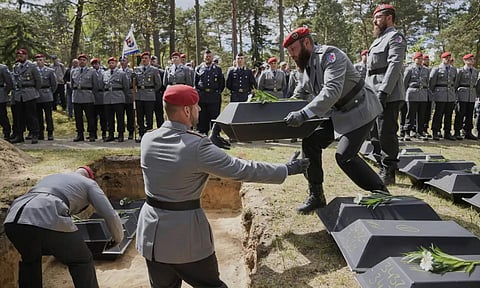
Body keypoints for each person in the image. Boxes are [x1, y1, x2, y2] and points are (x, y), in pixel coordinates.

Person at [136, 84, 309, 288]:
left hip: (152, 237)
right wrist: (286, 169)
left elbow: (179, 159)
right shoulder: (198, 147)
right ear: (186, 110)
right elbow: (242, 169)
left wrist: (208, 143)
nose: (200, 110)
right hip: (185, 238)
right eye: (197, 106)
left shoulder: (148, 138)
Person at [283, 26, 388, 214]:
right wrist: (280, 109)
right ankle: (316, 196)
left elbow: (331, 90)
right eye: (289, 51)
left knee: (345, 156)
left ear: (306, 43)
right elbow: (300, 93)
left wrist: (304, 114)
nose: (291, 54)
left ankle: (381, 192)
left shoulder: (330, 55)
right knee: (311, 141)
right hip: (337, 112)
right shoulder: (303, 66)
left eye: (293, 49)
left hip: (360, 108)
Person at [3, 166, 124, 288]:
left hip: (13, 220)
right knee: (81, 260)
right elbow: (110, 214)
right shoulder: (89, 183)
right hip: (47, 215)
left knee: (31, 261)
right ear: (89, 176)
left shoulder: (52, 177)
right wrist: (118, 238)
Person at [365, 4, 407, 185]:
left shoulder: (395, 37)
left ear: (389, 17)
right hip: (373, 91)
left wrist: (384, 91)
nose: (375, 21)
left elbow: (395, 65)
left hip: (387, 93)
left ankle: (389, 171)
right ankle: (380, 165)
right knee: (374, 132)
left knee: (386, 132)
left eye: (378, 17)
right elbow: (369, 70)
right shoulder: (378, 39)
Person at [10, 48, 42, 144]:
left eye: (22, 55)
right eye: (19, 55)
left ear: (26, 56)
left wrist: (34, 90)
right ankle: (19, 135)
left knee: (31, 115)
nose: (20, 57)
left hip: (29, 93)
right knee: (19, 116)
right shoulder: (16, 66)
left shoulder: (32, 66)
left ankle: (35, 134)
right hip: (19, 94)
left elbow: (38, 80)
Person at [194, 49, 225, 135]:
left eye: (209, 57)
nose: (208, 58)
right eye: (206, 57)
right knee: (202, 117)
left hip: (213, 97)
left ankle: (215, 134)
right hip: (202, 96)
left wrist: (217, 92)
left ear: (212, 57)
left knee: (214, 116)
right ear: (204, 58)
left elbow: (221, 83)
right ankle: (202, 134)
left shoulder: (218, 69)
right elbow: (195, 83)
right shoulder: (199, 68)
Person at [133, 51, 162, 140]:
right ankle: (141, 133)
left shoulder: (154, 70)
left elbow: (158, 84)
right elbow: (134, 83)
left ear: (149, 59)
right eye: (143, 58)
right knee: (140, 116)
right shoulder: (136, 69)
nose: (144, 60)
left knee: (149, 116)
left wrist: (151, 91)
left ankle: (149, 135)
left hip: (150, 95)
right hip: (139, 95)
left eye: (146, 58)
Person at [71, 53, 99, 142]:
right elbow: (72, 84)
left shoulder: (92, 71)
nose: (82, 61)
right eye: (80, 60)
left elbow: (96, 86)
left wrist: (91, 94)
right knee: (78, 117)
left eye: (84, 60)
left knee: (90, 117)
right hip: (76, 96)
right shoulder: (73, 71)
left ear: (86, 61)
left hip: (88, 96)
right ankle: (80, 134)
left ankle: (91, 134)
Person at [429, 52, 457, 141]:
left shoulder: (453, 69)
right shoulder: (437, 69)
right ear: (442, 59)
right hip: (440, 94)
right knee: (438, 114)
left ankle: (447, 132)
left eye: (449, 58)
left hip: (450, 95)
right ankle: (435, 131)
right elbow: (431, 83)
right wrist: (434, 93)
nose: (448, 60)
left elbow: (454, 82)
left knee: (448, 115)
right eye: (446, 58)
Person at [403, 51, 429, 141]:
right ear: (415, 59)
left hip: (423, 93)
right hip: (412, 93)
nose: (420, 60)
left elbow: (428, 82)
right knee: (410, 114)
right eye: (418, 58)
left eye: (422, 58)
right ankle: (407, 132)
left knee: (421, 114)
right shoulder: (410, 69)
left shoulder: (426, 70)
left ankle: (419, 132)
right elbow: (404, 83)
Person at [103, 57, 128, 142]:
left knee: (120, 117)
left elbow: (126, 86)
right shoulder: (105, 73)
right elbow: (101, 85)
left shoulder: (122, 73)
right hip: (107, 98)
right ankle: (110, 134)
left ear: (116, 63)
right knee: (109, 118)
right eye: (109, 63)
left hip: (118, 97)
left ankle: (121, 134)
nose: (111, 64)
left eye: (113, 63)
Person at [454, 53, 478, 140]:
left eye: (473, 59)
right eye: (470, 59)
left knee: (469, 114)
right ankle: (457, 131)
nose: (472, 61)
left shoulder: (475, 71)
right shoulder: (460, 71)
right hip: (462, 94)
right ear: (465, 61)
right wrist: (455, 96)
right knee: (460, 113)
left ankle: (468, 131)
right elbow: (456, 84)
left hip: (471, 95)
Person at [35, 54, 57, 141]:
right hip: (37, 95)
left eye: (40, 60)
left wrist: (50, 92)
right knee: (38, 116)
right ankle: (40, 133)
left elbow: (54, 84)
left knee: (48, 116)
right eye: (37, 60)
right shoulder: (34, 71)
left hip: (47, 95)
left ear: (44, 61)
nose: (38, 62)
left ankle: (50, 132)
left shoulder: (50, 71)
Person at [91, 58, 107, 140]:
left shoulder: (104, 72)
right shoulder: (90, 72)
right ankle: (93, 133)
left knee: (103, 117)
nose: (94, 65)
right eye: (93, 64)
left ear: (99, 64)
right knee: (93, 117)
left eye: (96, 63)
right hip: (93, 96)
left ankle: (104, 133)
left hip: (102, 96)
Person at [120, 57, 135, 140]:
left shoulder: (131, 71)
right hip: (119, 94)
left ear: (127, 61)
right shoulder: (117, 71)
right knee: (120, 115)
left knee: (130, 115)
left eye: (124, 60)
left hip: (129, 94)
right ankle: (121, 132)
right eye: (121, 60)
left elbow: (134, 83)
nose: (122, 62)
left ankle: (131, 132)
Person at [0, 62, 14, 140]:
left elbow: (9, 82)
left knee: (2, 114)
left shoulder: (3, 68)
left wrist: (5, 92)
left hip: (1, 93)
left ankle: (7, 132)